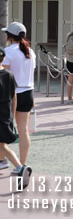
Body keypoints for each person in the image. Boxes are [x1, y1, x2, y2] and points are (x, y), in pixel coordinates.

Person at [1, 22, 36, 168]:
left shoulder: (8, 52)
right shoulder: (30, 51)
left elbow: (4, 75)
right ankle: (22, 163)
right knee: (23, 130)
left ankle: (2, 160)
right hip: (28, 92)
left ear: (9, 35)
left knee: (3, 128)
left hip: (12, 94)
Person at [0, 47, 32, 187]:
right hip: (6, 114)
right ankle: (20, 167)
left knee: (2, 146)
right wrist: (12, 114)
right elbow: (14, 97)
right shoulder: (9, 75)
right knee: (2, 145)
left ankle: (20, 167)